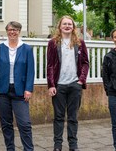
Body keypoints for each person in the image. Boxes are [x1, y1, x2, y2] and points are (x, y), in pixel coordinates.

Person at [47, 16, 89, 151]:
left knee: (73, 118)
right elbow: (50, 66)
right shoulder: (53, 43)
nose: (67, 26)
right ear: (60, 26)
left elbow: (85, 63)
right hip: (59, 85)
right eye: (64, 24)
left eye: (69, 24)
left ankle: (73, 145)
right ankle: (57, 145)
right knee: (58, 117)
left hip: (74, 85)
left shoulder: (80, 43)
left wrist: (81, 80)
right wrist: (51, 85)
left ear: (73, 27)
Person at [0, 21, 35, 151]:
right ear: (6, 31)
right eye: (10, 29)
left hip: (20, 92)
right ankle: (10, 148)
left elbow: (30, 71)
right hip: (2, 91)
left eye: (15, 30)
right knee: (6, 124)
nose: (12, 32)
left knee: (25, 124)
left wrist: (28, 89)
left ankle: (29, 149)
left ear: (19, 31)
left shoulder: (26, 48)